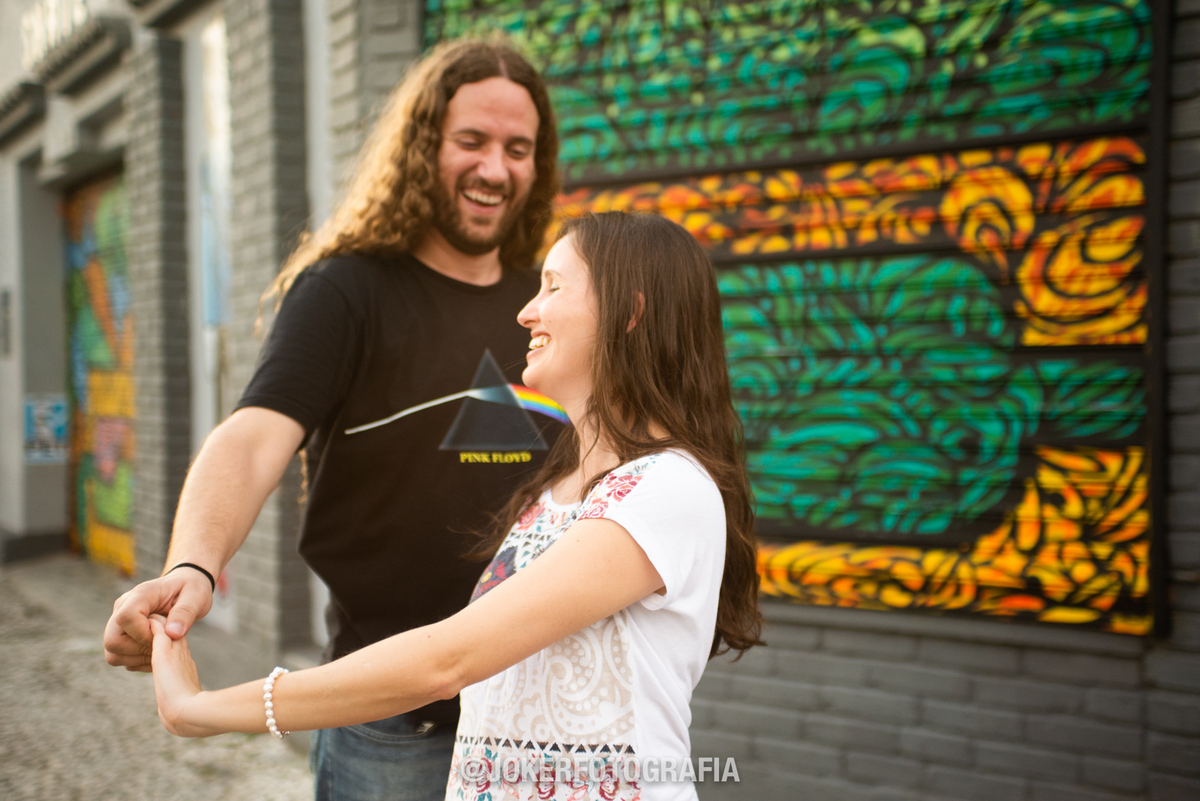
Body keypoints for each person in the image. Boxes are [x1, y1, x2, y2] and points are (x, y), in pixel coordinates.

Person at [148, 211, 764, 801]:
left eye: (553, 287)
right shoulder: (551, 492)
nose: (527, 311)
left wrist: (207, 709)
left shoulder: (667, 491)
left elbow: (446, 660)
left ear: (630, 313)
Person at [103, 38, 565, 800]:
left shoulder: (544, 305)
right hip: (387, 718)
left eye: (519, 149)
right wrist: (191, 563)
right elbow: (254, 436)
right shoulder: (345, 291)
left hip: (535, 711)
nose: (496, 169)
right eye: (472, 142)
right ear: (423, 146)